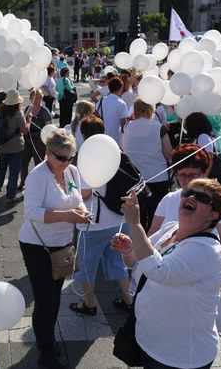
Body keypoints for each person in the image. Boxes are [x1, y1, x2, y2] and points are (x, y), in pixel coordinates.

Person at [110, 178, 221, 369]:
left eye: (201, 197)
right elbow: (138, 261)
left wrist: (135, 224)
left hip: (180, 354)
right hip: (151, 339)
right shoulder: (170, 228)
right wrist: (130, 250)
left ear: (212, 215)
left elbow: (159, 271)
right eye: (189, 193)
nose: (191, 197)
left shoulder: (206, 250)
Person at [18, 129, 90, 369]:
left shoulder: (72, 171)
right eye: (61, 158)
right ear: (47, 153)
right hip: (36, 245)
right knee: (45, 300)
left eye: (71, 157)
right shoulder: (38, 176)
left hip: (62, 243)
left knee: (56, 296)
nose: (66, 162)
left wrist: (81, 210)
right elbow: (31, 212)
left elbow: (78, 198)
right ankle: (47, 353)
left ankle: (47, 340)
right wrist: (68, 215)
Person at [69, 116, 133, 315]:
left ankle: (88, 303)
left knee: (87, 264)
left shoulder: (87, 157)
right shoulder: (117, 153)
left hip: (93, 223)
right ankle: (128, 299)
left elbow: (85, 193)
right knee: (118, 262)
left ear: (83, 134)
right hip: (119, 219)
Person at [149, 144, 221, 254]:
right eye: (182, 175)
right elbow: (153, 232)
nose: (187, 180)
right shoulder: (168, 199)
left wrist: (196, 253)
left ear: (205, 172)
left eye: (193, 174)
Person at [122, 98, 172, 232]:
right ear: (151, 109)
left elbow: (123, 148)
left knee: (139, 218)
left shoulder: (127, 127)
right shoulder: (158, 127)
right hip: (157, 176)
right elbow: (168, 153)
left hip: (135, 179)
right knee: (157, 216)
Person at [0, 90, 28, 203]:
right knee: (14, 171)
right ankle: (11, 195)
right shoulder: (18, 113)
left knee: (1, 168)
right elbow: (24, 130)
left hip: (1, 145)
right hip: (15, 146)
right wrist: (29, 121)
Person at [20, 88, 53, 191]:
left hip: (39, 140)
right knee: (23, 162)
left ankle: (39, 184)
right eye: (33, 98)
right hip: (27, 139)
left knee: (38, 163)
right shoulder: (27, 109)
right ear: (30, 99)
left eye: (38, 98)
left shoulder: (44, 111)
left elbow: (49, 128)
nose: (36, 100)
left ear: (41, 99)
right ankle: (22, 182)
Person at [96, 78, 129, 148]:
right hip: (116, 136)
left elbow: (96, 114)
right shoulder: (121, 103)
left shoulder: (101, 101)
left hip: (102, 135)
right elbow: (123, 123)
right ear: (120, 89)